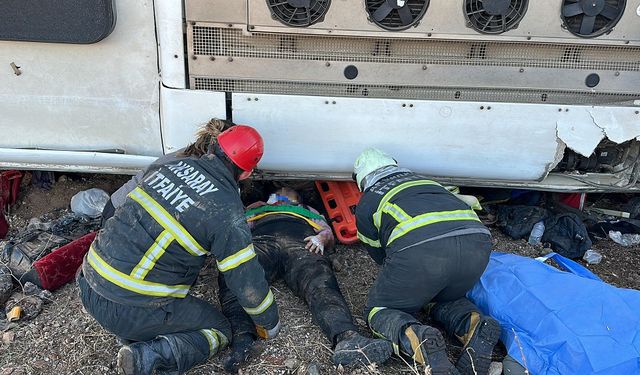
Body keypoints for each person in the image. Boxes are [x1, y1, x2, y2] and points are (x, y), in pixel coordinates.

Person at [77, 120, 281, 375]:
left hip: (88, 282)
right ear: (248, 173)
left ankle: (138, 332)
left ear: (214, 145)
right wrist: (269, 322)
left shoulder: (173, 166)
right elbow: (246, 280)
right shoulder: (226, 211)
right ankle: (148, 356)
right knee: (218, 330)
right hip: (125, 306)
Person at [352, 147, 501, 375]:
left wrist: (405, 282)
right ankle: (474, 325)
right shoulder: (427, 182)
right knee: (442, 295)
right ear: (394, 165)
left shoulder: (368, 201)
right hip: (478, 245)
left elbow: (379, 255)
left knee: (378, 310)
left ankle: (419, 339)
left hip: (422, 252)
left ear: (361, 180)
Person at [219, 186, 394, 372]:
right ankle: (242, 342)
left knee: (320, 282)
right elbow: (238, 227)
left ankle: (348, 338)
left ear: (299, 200)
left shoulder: (308, 211)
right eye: (277, 193)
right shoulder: (258, 208)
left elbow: (328, 233)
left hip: (301, 243)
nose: (282, 196)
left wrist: (321, 238)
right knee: (234, 275)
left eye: (288, 194)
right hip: (262, 243)